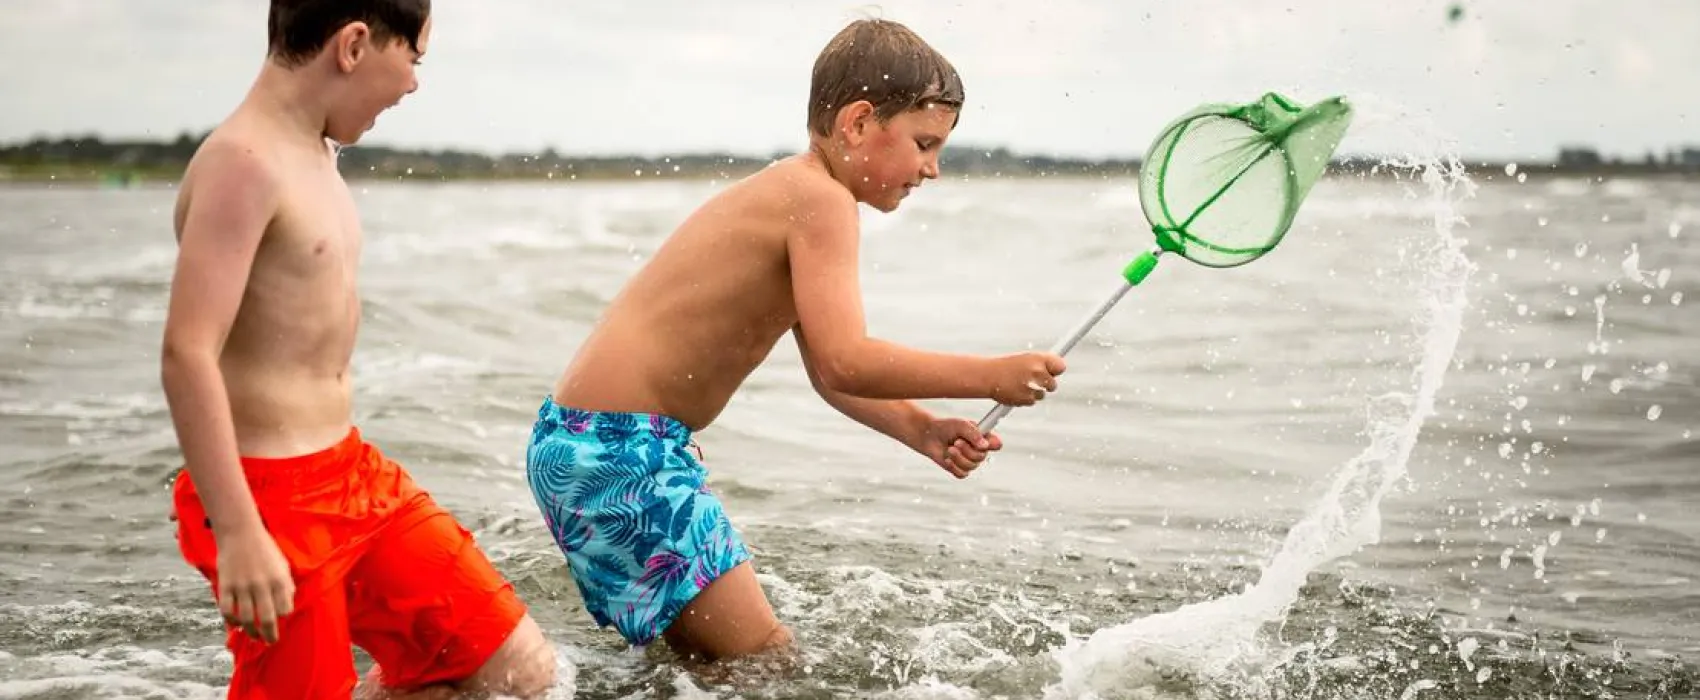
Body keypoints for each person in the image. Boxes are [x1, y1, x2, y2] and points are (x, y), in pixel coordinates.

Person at [524, 17, 1067, 662]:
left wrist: (921, 429)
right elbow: (850, 359)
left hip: (582, 446)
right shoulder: (821, 201)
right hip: (623, 455)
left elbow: (827, 371)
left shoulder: (795, 193)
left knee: (703, 662)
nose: (933, 169)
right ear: (858, 123)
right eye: (924, 144)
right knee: (769, 664)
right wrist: (990, 376)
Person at [159, 1, 556, 696]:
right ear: (353, 45)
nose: (412, 85)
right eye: (414, 59)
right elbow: (187, 352)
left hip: (351, 474)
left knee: (515, 669)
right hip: (268, 501)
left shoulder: (314, 151)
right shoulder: (241, 164)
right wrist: (239, 532)